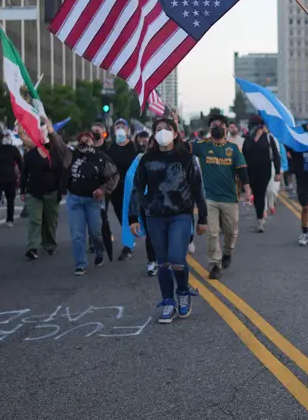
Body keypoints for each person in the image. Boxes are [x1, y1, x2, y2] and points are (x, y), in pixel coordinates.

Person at [130, 118, 208, 323]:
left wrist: (203, 217)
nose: (162, 132)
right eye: (158, 129)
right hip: (154, 215)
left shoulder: (187, 158)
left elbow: (198, 188)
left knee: (176, 258)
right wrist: (133, 217)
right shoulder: (147, 159)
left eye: (167, 129)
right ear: (154, 134)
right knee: (163, 262)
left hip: (180, 214)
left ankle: (183, 292)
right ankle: (168, 302)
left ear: (175, 133)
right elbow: (137, 188)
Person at [193, 114, 250, 280]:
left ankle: (228, 252)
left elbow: (242, 171)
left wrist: (247, 191)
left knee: (231, 231)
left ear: (225, 128)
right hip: (209, 198)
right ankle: (215, 264)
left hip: (230, 198)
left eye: (220, 124)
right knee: (213, 232)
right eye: (213, 124)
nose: (217, 126)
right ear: (210, 129)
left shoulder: (233, 149)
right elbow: (181, 146)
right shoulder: (202, 146)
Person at [66, 131, 119, 274]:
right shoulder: (72, 156)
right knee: (77, 234)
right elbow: (59, 147)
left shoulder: (101, 158)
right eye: (81, 141)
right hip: (74, 199)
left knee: (95, 232)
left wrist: (103, 189)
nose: (84, 143)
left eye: (87, 140)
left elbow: (114, 176)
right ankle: (80, 263)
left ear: (93, 141)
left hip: (93, 201)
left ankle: (99, 250)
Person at [19, 118, 71, 260]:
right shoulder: (31, 155)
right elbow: (24, 174)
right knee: (35, 220)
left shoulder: (56, 155)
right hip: (33, 193)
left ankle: (49, 245)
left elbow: (62, 172)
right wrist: (22, 191)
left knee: (50, 220)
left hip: (52, 192)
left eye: (45, 136)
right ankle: (32, 247)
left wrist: (62, 190)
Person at [104, 119, 141, 263]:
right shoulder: (110, 147)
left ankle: (129, 245)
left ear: (127, 130)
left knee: (132, 215)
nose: (120, 128)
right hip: (116, 188)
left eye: (122, 126)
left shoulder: (134, 147)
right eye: (117, 126)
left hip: (132, 188)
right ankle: (129, 242)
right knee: (122, 216)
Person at [241, 115, 281, 232]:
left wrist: (278, 172)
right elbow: (242, 156)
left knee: (261, 194)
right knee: (255, 195)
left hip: (264, 171)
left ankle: (260, 220)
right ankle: (259, 214)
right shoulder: (248, 138)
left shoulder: (268, 138)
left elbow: (276, 155)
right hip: (250, 172)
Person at [0, 132, 23, 228]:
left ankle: (10, 219)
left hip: (10, 178)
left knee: (10, 200)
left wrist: (22, 175)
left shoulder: (13, 149)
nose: (6, 139)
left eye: (8, 137)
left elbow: (20, 162)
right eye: (5, 137)